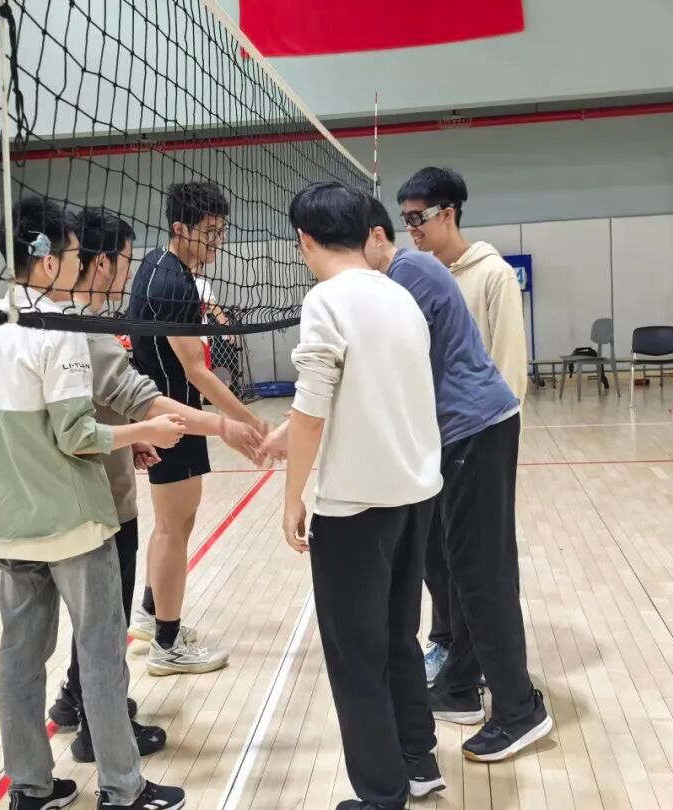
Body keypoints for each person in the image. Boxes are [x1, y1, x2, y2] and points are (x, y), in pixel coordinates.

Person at [0, 196, 185, 810]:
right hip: (72, 521)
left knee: (20, 660)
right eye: (76, 254)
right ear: (49, 260)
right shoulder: (60, 328)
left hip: (7, 518)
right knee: (102, 653)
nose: (81, 264)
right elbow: (78, 436)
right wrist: (145, 431)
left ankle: (31, 788)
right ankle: (123, 787)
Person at [46, 207, 264, 762]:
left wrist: (128, 435)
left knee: (96, 612)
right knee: (109, 613)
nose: (128, 266)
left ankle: (75, 699)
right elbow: (150, 392)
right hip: (113, 482)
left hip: (95, 473)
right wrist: (232, 426)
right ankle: (109, 717)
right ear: (100, 262)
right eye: (122, 257)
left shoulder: (56, 321)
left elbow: (95, 402)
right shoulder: (91, 328)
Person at [262, 181, 445, 809]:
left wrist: (292, 496)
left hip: (356, 511)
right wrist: (292, 430)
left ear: (305, 240)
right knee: (399, 639)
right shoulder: (399, 294)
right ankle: (418, 764)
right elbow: (366, 391)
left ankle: (380, 795)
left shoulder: (326, 300)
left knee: (355, 658)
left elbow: (314, 407)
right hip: (415, 497)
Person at [365, 196, 552, 763]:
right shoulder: (404, 274)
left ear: (375, 237)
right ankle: (459, 684)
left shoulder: (409, 274)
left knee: (479, 572)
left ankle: (520, 710)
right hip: (457, 435)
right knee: (452, 564)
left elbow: (387, 372)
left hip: (477, 429)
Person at [126, 181, 268, 675]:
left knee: (176, 524)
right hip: (175, 419)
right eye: (209, 232)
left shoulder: (157, 264)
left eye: (220, 231)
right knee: (173, 528)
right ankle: (166, 644)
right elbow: (197, 370)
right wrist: (247, 420)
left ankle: (150, 615)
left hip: (165, 411)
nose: (217, 242)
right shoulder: (175, 285)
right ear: (180, 228)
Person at [396, 167, 529, 683]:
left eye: (419, 217)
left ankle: (483, 662)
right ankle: (448, 641)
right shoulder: (418, 274)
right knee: (436, 551)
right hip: (432, 438)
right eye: (405, 219)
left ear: (448, 213)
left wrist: (494, 442)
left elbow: (508, 367)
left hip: (477, 434)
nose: (411, 228)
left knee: (482, 556)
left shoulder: (492, 274)